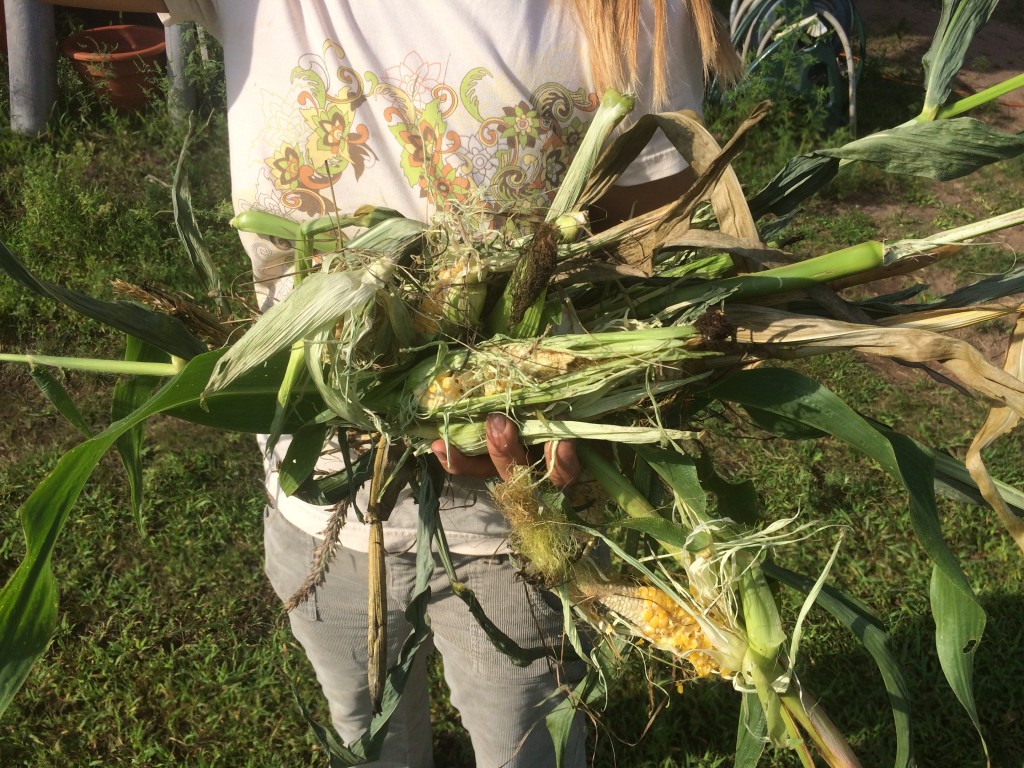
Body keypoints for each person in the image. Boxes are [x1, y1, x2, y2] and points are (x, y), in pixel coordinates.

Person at [43, 2, 740, 765]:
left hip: (515, 516)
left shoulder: (628, 13)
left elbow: (639, 262)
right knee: (367, 735)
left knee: (526, 748)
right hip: (323, 498)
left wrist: (573, 410)